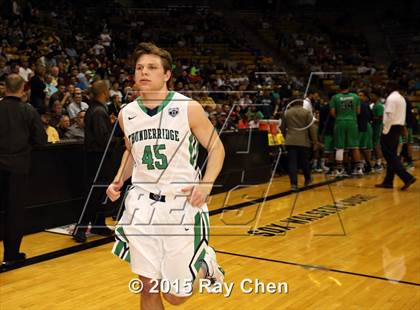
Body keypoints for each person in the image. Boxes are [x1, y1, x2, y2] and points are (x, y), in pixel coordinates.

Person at [106, 42, 225, 309]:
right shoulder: (127, 114)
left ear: (167, 75)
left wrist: (205, 186)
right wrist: (118, 179)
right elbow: (131, 152)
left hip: (180, 204)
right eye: (139, 68)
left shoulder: (188, 108)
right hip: (141, 205)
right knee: (148, 286)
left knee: (175, 296)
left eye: (152, 67)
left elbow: (217, 148)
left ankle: (206, 264)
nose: (144, 73)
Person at [0, 74, 47, 269]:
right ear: (23, 89)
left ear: (4, 88)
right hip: (18, 167)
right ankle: (11, 254)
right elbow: (41, 140)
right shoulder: (28, 111)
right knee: (14, 212)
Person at [72, 80, 114, 242]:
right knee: (94, 193)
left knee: (101, 192)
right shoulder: (98, 112)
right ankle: (80, 228)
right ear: (104, 92)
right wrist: (117, 134)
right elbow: (103, 139)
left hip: (97, 158)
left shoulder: (96, 109)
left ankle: (98, 223)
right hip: (98, 158)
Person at [376, 88, 416, 190]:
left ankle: (407, 177)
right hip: (398, 127)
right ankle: (388, 181)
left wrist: (385, 130)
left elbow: (389, 115)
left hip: (391, 128)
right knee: (392, 154)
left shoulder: (391, 98)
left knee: (389, 155)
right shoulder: (401, 98)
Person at [281, 100, 318, 191]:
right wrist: (315, 141)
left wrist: (286, 138)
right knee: (304, 162)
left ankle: (293, 184)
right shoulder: (306, 112)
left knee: (292, 163)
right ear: (301, 103)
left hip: (290, 141)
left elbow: (282, 128)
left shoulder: (286, 113)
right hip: (303, 141)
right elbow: (311, 128)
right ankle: (308, 179)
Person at [330, 78, 363, 177]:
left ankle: (340, 170)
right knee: (354, 146)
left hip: (340, 122)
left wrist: (341, 117)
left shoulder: (335, 97)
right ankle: (358, 169)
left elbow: (332, 113)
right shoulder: (355, 97)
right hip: (352, 122)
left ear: (340, 87)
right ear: (349, 86)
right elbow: (358, 112)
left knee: (340, 146)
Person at [370, 89, 384, 172]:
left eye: (373, 95)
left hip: (378, 128)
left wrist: (371, 118)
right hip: (374, 127)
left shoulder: (379, 106)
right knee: (375, 145)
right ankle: (377, 162)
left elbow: (381, 117)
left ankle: (379, 163)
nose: (371, 97)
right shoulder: (374, 105)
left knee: (377, 145)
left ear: (377, 96)